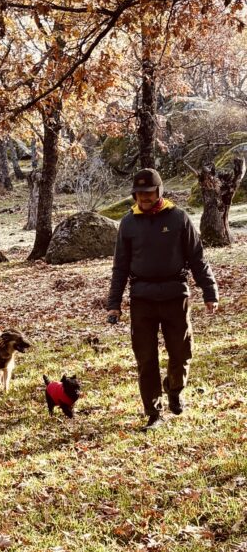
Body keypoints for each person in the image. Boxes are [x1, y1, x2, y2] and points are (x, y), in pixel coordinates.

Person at [106, 168, 218, 431]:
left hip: (175, 296)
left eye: (148, 193)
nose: (143, 198)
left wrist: (209, 292)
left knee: (181, 353)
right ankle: (153, 413)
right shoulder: (128, 223)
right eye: (139, 194)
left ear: (159, 191)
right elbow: (120, 266)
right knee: (146, 359)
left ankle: (174, 388)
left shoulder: (178, 218)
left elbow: (197, 258)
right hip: (142, 299)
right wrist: (114, 304)